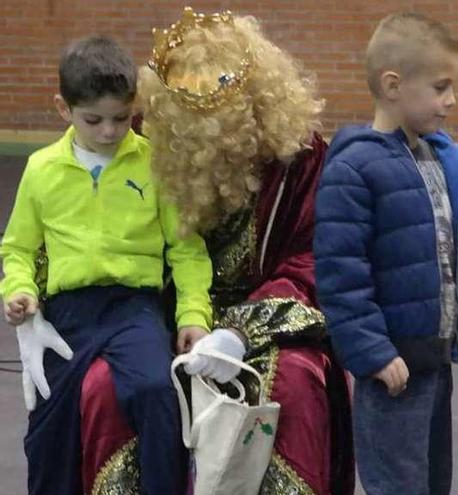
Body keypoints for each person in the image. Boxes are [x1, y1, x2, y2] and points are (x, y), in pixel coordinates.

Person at [77, 8, 354, 494]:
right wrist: (32, 300)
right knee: (106, 385)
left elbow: (313, 257)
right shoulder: (136, 142)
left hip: (268, 325)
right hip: (157, 315)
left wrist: (239, 334)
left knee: (293, 383)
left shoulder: (297, 156)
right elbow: (73, 216)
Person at [0, 35, 212, 494]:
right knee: (47, 424)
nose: (109, 132)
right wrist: (19, 292)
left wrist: (193, 314)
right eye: (92, 120)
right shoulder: (41, 170)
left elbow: (186, 250)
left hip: (133, 310)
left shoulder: (155, 163)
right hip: (68, 313)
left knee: (157, 393)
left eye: (121, 118)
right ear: (63, 109)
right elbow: (16, 249)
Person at [313, 12, 458, 495]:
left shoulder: (442, 157)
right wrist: (373, 352)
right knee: (396, 485)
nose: (451, 100)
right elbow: (341, 275)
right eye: (441, 87)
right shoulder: (353, 168)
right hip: (392, 371)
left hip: (435, 362)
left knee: (433, 480)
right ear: (393, 84)